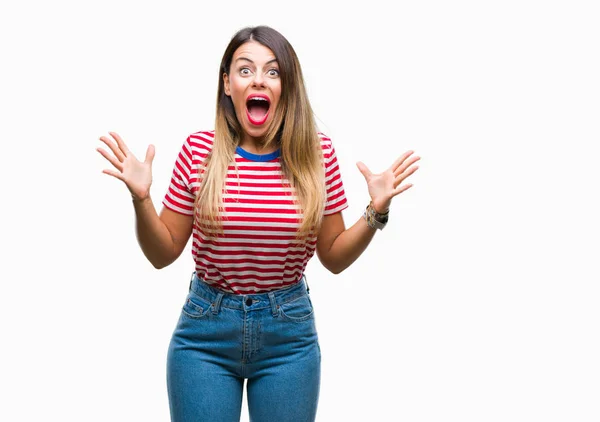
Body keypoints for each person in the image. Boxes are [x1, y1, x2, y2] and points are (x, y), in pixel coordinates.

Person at [97, 25, 419, 422]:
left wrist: (376, 211)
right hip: (205, 336)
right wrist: (141, 199)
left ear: (287, 85)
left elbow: (333, 257)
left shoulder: (316, 154)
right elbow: (162, 254)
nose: (258, 80)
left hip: (289, 338)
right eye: (245, 70)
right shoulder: (200, 150)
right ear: (227, 84)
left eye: (272, 71)